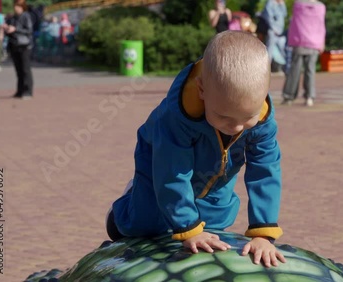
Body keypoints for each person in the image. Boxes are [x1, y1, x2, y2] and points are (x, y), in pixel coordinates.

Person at [106, 31, 287, 268]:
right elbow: (173, 173)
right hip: (161, 157)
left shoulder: (262, 122)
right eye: (224, 116)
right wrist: (188, 230)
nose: (236, 127)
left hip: (220, 163)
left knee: (215, 219)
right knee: (147, 222)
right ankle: (125, 205)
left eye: (247, 117)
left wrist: (263, 234)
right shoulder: (175, 117)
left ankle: (196, 217)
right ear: (201, 89)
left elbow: (265, 171)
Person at [282, 0, 326, 107]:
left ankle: (289, 96)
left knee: (294, 70)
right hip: (314, 42)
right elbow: (321, 25)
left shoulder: (298, 5)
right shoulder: (321, 7)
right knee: (310, 70)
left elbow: (294, 24)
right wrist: (322, 42)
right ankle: (309, 96)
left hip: (299, 41)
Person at [3, 0, 33, 99]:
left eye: (18, 7)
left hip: (24, 45)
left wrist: (16, 29)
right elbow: (10, 31)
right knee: (18, 69)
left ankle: (28, 91)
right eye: (15, 6)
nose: (16, 8)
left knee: (25, 69)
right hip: (14, 44)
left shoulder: (26, 16)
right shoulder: (13, 17)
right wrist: (7, 29)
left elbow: (29, 30)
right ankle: (20, 90)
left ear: (22, 7)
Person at [259, 0, 287, 68]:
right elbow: (268, 17)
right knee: (270, 51)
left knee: (283, 50)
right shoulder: (270, 3)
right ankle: (266, 68)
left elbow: (284, 14)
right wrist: (274, 28)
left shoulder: (280, 4)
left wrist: (282, 4)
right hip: (273, 31)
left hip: (280, 32)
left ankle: (288, 69)